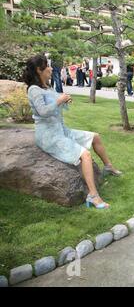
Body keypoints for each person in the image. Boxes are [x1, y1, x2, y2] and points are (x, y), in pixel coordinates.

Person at [24, 54, 122, 209]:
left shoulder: (47, 87)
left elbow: (57, 106)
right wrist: (59, 101)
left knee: (96, 137)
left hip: (61, 130)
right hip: (49, 136)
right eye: (48, 66)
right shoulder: (34, 90)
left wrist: (65, 101)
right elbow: (43, 112)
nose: (51, 68)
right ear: (39, 70)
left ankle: (108, 166)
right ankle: (93, 196)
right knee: (85, 155)